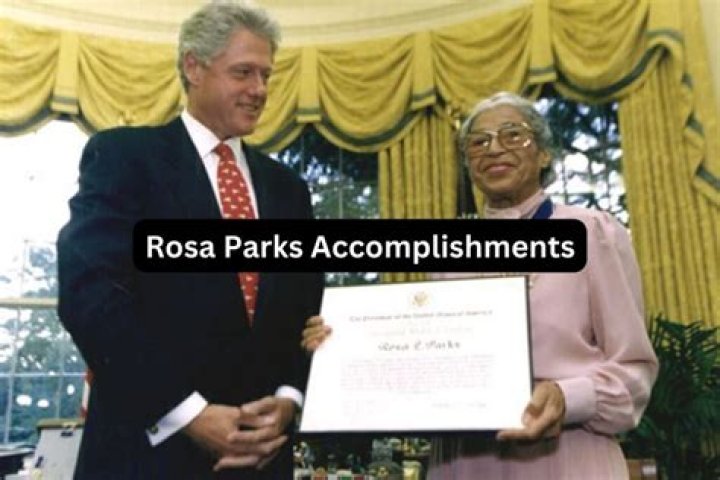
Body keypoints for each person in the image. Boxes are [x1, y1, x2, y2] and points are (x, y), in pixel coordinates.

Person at [302, 92, 658, 479]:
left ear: (543, 154)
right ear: (468, 164)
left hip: (566, 457)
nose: (494, 149)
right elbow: (422, 361)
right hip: (464, 463)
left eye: (513, 134)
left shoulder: (592, 233)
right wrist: (341, 344)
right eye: (479, 142)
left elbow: (633, 373)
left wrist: (567, 397)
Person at [57, 2, 323, 479]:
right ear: (194, 67)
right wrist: (188, 415)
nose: (260, 90)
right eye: (243, 72)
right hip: (145, 458)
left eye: (266, 75)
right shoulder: (123, 158)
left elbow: (306, 308)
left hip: (262, 458)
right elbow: (89, 296)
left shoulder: (288, 189)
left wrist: (289, 399)